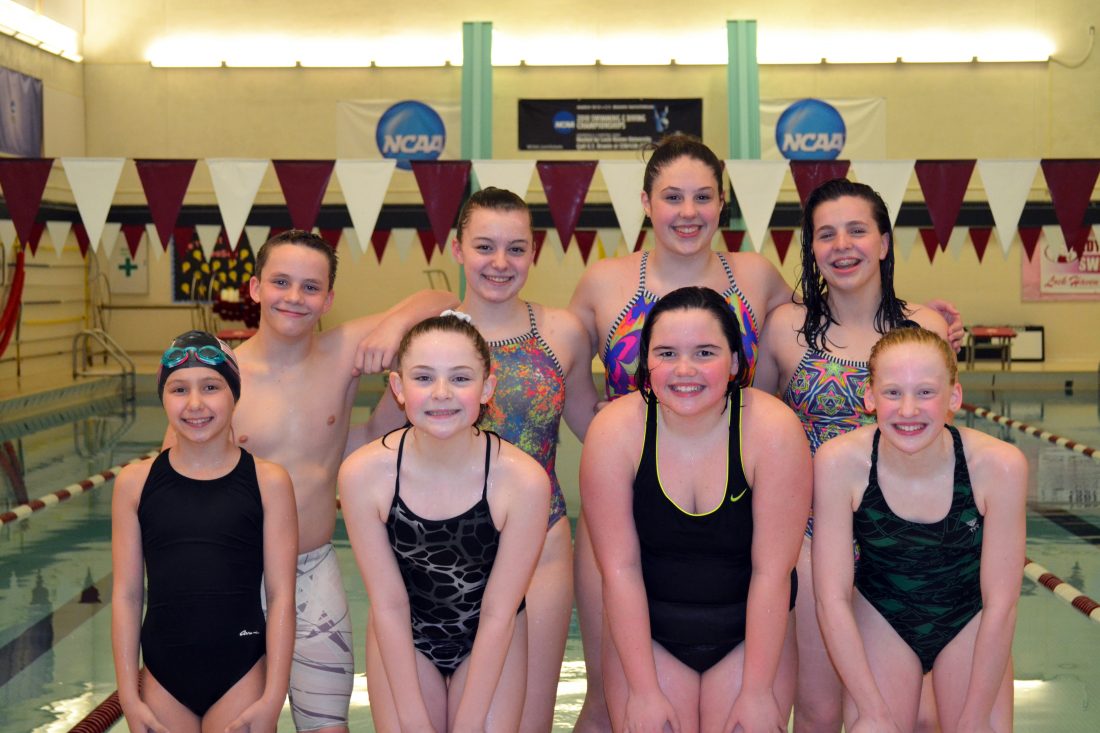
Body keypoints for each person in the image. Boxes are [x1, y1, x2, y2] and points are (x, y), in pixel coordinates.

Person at [164, 229, 455, 733]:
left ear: (329, 299)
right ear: (255, 288)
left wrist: (392, 328)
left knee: (327, 726)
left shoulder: (344, 351)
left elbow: (444, 300)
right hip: (233, 576)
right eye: (281, 282)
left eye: (310, 287)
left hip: (312, 570)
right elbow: (170, 483)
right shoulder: (222, 376)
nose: (294, 297)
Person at [753, 178, 949, 733]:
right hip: (811, 540)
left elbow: (945, 445)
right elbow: (753, 429)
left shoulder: (925, 329)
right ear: (812, 248)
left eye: (857, 231)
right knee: (819, 710)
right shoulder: (786, 330)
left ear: (883, 242)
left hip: (904, 539)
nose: (842, 246)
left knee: (917, 714)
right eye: (826, 234)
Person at [581, 287, 810, 732]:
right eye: (666, 353)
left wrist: (757, 690)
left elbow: (772, 572)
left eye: (705, 352)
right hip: (650, 631)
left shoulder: (772, 430)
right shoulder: (615, 432)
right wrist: (643, 692)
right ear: (646, 363)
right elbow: (620, 571)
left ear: (735, 362)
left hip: (748, 630)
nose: (684, 370)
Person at [339, 314, 551, 732]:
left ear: (487, 388)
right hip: (405, 634)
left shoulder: (522, 481)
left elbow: (498, 612)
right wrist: (413, 719)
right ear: (398, 387)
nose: (441, 393)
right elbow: (388, 604)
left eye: (460, 378)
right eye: (423, 377)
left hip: (492, 632)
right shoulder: (364, 475)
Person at [813, 326, 1024, 733]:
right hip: (882, 615)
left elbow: (1002, 604)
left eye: (925, 392)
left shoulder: (998, 466)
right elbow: (831, 599)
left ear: (954, 398)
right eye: (893, 392)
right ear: (870, 397)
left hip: (968, 619)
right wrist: (871, 711)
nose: (908, 410)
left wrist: (976, 716)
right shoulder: (840, 463)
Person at [449, 187, 599, 730]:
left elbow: (594, 424)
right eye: (484, 246)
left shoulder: (561, 333)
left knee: (530, 719)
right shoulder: (433, 335)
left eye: (516, 248)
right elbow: (383, 436)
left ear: (533, 252)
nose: (500, 262)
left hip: (541, 541)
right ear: (457, 249)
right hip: (447, 546)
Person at [113, 331, 297, 733]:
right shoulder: (134, 483)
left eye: (211, 387)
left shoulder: (269, 481)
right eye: (179, 389)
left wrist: (273, 696)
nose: (195, 404)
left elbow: (281, 595)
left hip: (241, 673)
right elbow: (126, 595)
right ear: (163, 397)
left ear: (234, 394)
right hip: (163, 676)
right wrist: (129, 697)